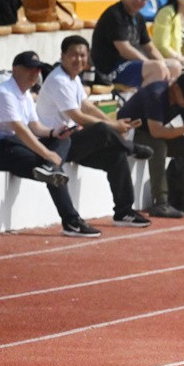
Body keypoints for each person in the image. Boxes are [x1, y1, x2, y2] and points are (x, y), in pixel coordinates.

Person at [0, 51, 101, 238]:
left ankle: (49, 169)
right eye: (29, 69)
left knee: (63, 140)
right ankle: (71, 220)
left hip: (16, 146)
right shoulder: (4, 93)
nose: (34, 73)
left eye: (37, 70)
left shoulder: (26, 95)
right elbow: (21, 130)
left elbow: (35, 127)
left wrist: (54, 132)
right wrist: (47, 154)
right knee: (50, 167)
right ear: (15, 69)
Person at [36, 35, 153, 229]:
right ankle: (132, 148)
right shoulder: (59, 80)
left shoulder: (73, 78)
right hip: (57, 144)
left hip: (73, 140)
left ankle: (124, 212)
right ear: (63, 56)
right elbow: (78, 116)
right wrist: (113, 126)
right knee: (101, 130)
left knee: (116, 156)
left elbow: (87, 106)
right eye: (73, 55)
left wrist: (113, 122)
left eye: (82, 55)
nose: (79, 59)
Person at [116, 72, 184, 218]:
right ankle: (160, 202)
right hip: (131, 132)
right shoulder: (156, 94)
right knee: (158, 146)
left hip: (153, 134)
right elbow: (156, 131)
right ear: (175, 88)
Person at [90, 0, 180, 89]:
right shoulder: (114, 15)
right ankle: (144, 100)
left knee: (175, 66)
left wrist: (162, 63)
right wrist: (151, 63)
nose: (138, 0)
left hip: (130, 65)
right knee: (156, 68)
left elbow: (149, 48)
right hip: (110, 70)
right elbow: (124, 49)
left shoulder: (139, 18)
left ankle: (162, 98)